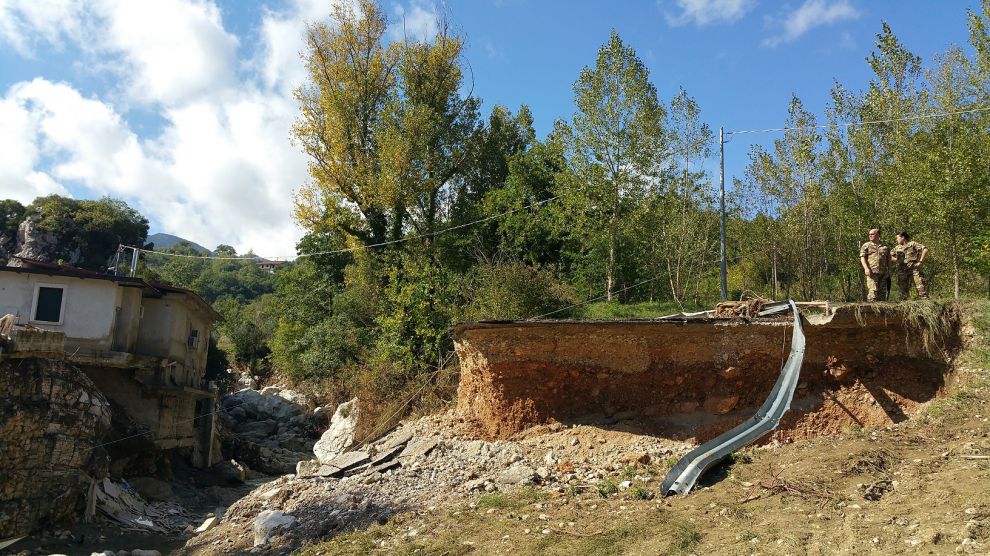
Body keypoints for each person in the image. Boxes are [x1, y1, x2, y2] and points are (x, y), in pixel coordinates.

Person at [892, 231, 929, 300]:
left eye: (897, 238)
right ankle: (905, 304)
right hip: (902, 271)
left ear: (903, 237)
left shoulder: (912, 244)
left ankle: (925, 303)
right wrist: (897, 260)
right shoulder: (897, 248)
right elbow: (889, 256)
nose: (896, 240)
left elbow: (925, 249)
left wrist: (920, 262)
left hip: (914, 270)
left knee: (921, 288)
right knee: (903, 291)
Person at [859, 228, 890, 302]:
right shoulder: (866, 245)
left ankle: (882, 312)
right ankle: (872, 311)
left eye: (872, 234)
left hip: (883, 273)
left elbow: (888, 259)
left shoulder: (885, 246)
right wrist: (866, 268)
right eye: (869, 234)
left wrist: (889, 270)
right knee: (873, 294)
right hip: (872, 273)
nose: (870, 235)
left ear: (878, 235)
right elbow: (862, 258)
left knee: (882, 295)